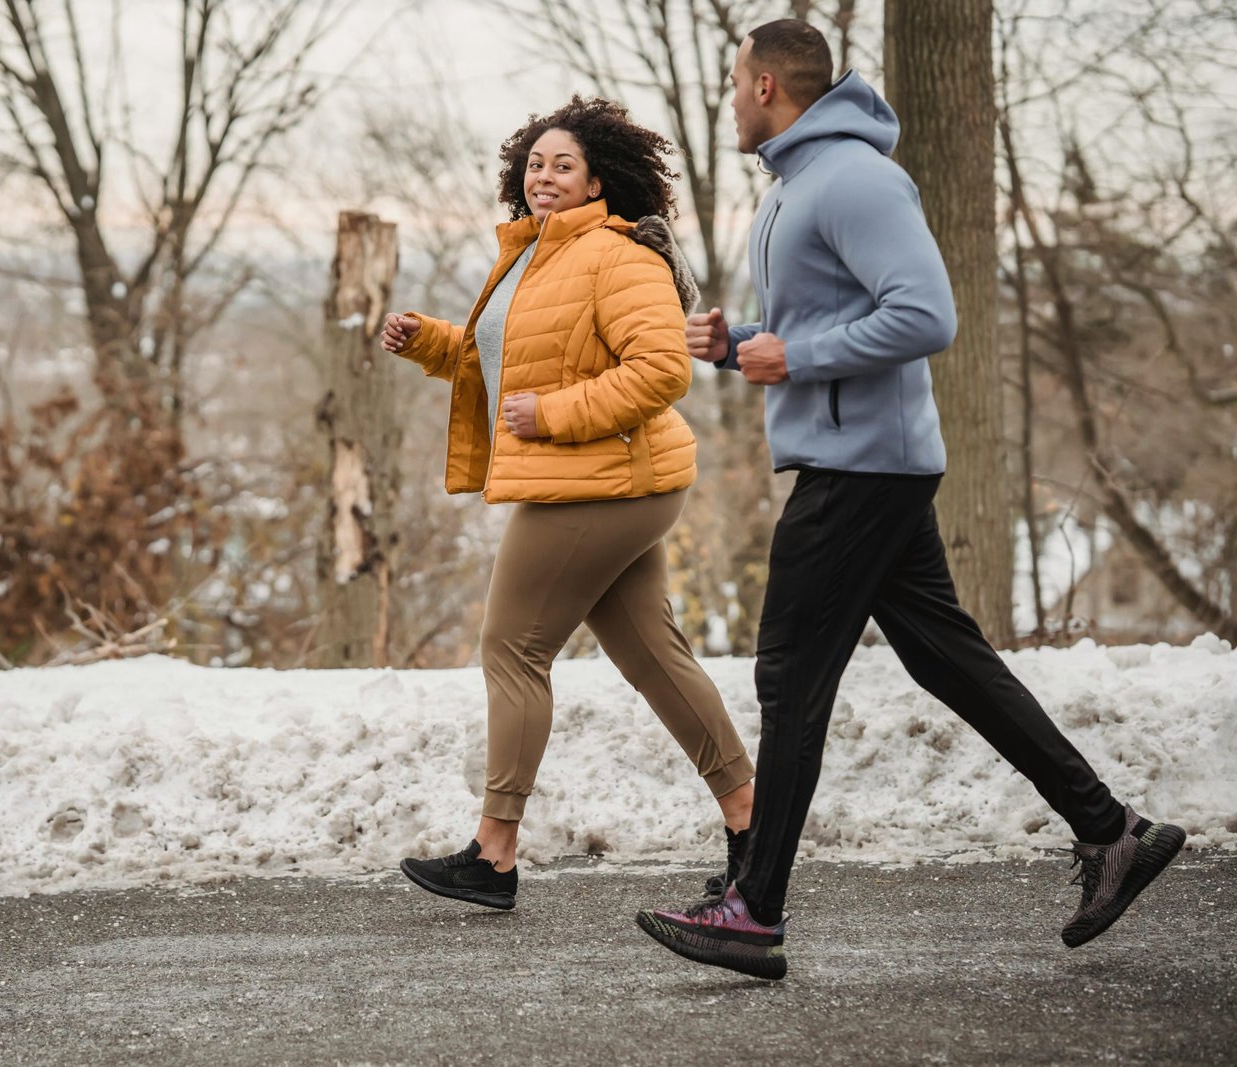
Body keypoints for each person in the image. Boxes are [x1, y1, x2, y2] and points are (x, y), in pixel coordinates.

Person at [634, 19, 1185, 980]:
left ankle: (753, 909)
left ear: (767, 85)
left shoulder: (855, 178)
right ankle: (1111, 831)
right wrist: (743, 343)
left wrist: (795, 355)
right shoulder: (802, 184)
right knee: (947, 660)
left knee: (789, 675)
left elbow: (926, 313)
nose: (726, 99)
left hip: (863, 468)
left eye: (732, 83)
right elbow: (833, 318)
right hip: (855, 457)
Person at [384, 97, 756, 911]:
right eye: (536, 163)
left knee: (512, 647)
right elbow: (509, 365)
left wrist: (551, 415)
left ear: (599, 183)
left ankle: (494, 853)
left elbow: (662, 370)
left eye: (564, 166)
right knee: (651, 655)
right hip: (605, 481)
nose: (544, 176)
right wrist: (429, 342)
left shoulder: (617, 256)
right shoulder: (531, 258)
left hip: (600, 480)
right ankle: (751, 824)